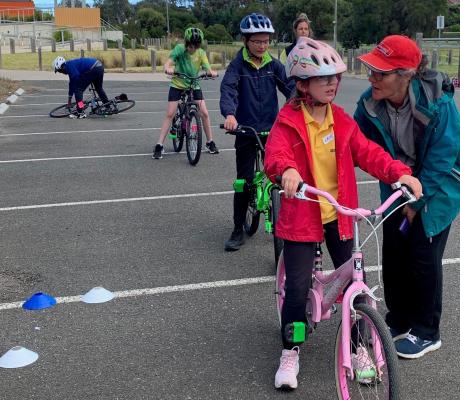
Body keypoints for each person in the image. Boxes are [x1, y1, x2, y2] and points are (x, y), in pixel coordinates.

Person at [264, 37, 423, 390]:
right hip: (302, 215)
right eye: (324, 78)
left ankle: (359, 349)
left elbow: (368, 152)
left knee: (357, 286)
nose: (333, 83)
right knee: (297, 290)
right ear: (303, 85)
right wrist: (287, 171)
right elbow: (276, 156)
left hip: (339, 214)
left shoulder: (340, 120)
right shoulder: (288, 120)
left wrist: (399, 172)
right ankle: (290, 351)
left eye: (335, 76)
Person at [354, 35, 460, 359]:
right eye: (371, 71)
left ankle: (426, 330)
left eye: (381, 73)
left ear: (406, 75)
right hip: (399, 186)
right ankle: (398, 319)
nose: (372, 78)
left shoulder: (438, 103)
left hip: (441, 186)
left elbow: (443, 156)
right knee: (394, 251)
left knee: (423, 254)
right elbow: (356, 144)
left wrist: (417, 203)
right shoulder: (369, 104)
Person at [220, 13, 294, 251]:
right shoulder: (237, 65)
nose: (262, 46)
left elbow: (290, 87)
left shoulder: (273, 65)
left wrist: (295, 109)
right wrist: (230, 115)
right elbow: (229, 89)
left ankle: (289, 226)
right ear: (245, 41)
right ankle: (238, 228)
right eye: (257, 41)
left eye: (265, 41)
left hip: (273, 131)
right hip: (246, 130)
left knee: (282, 177)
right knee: (244, 182)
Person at [153, 27, 219, 159]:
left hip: (193, 84)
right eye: (190, 45)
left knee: (204, 113)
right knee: (170, 114)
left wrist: (211, 72)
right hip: (177, 84)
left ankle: (210, 142)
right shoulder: (179, 49)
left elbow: (207, 67)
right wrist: (168, 68)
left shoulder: (200, 53)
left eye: (195, 46)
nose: (192, 48)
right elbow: (168, 62)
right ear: (186, 43)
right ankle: (159, 145)